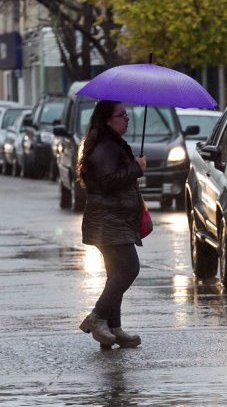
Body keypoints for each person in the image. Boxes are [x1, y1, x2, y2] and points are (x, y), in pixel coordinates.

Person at [77, 100, 147, 349]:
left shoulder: (110, 142)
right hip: (109, 221)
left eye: (127, 114)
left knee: (114, 274)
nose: (126, 118)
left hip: (112, 220)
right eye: (121, 115)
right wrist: (135, 169)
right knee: (129, 268)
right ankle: (97, 318)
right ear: (108, 119)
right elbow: (107, 182)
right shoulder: (105, 146)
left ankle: (113, 328)